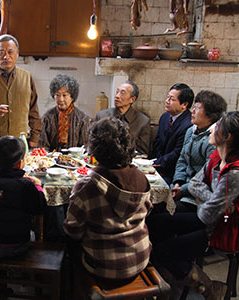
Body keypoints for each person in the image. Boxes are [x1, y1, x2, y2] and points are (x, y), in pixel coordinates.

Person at [147, 111, 239, 300]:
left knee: (163, 249)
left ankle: (209, 288)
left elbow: (206, 216)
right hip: (217, 217)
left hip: (227, 228)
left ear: (227, 137)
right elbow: (194, 183)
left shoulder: (236, 174)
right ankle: (171, 275)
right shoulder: (217, 157)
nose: (211, 129)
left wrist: (209, 202)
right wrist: (215, 199)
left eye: (216, 126)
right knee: (155, 223)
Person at [64, 117, 152, 283]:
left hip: (102, 268)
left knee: (68, 246)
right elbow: (147, 213)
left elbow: (73, 231)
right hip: (139, 261)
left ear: (95, 150)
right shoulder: (141, 178)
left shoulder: (87, 186)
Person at [0, 136, 46, 280]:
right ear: (21, 163)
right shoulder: (26, 186)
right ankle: (21, 278)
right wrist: (38, 186)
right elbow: (40, 208)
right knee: (33, 235)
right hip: (17, 244)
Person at [171, 90, 227, 212]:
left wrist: (183, 189)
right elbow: (182, 160)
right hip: (182, 187)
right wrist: (177, 182)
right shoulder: (191, 131)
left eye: (198, 108)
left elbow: (206, 174)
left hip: (197, 197)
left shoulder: (212, 139)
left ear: (211, 115)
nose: (193, 111)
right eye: (194, 107)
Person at [150, 83, 194, 185]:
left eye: (172, 99)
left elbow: (177, 153)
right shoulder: (165, 117)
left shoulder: (189, 124)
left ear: (184, 105)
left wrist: (157, 164)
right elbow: (157, 143)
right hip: (158, 166)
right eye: (167, 97)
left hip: (172, 172)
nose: (167, 101)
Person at [95, 81, 151, 154]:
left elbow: (142, 152)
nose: (117, 96)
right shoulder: (102, 116)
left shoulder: (142, 121)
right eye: (117, 92)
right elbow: (93, 143)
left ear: (132, 99)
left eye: (122, 93)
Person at [38, 74, 91, 152]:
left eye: (64, 95)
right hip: (51, 161)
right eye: (57, 95)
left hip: (75, 161)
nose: (61, 99)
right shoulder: (47, 117)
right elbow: (42, 145)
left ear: (72, 97)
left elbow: (85, 147)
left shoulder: (82, 118)